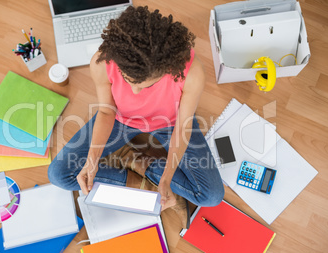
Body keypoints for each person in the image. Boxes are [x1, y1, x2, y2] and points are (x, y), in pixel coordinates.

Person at [48, 6, 224, 226]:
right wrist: (91, 161)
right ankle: (136, 172)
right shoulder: (102, 61)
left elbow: (183, 127)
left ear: (168, 69)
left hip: (171, 123)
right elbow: (106, 110)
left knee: (212, 196)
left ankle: (145, 166)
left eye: (145, 85)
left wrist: (167, 178)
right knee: (59, 175)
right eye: (127, 79)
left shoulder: (191, 71)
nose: (134, 92)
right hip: (119, 120)